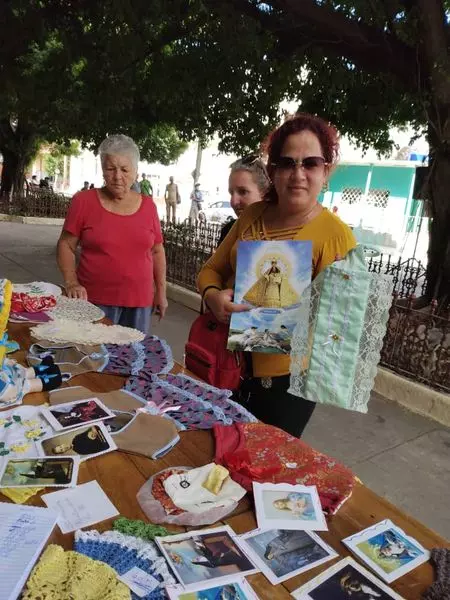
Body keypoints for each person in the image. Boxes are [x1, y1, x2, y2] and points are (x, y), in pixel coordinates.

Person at [197, 113, 356, 437]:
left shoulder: (335, 236)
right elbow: (211, 269)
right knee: (217, 449)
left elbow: (342, 326)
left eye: (310, 163)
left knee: (265, 461)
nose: (298, 174)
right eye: (287, 163)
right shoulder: (252, 216)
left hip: (287, 385)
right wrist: (213, 296)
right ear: (273, 171)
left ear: (325, 171)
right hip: (227, 363)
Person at [57, 133, 168, 334]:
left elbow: (157, 251)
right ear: (102, 169)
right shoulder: (83, 201)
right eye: (110, 169)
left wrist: (161, 292)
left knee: (133, 352)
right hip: (93, 301)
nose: (117, 177)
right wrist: (71, 282)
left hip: (139, 303)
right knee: (94, 351)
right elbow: (66, 245)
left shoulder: (148, 206)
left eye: (124, 169)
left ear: (135, 171)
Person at [218, 155, 271, 245]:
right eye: (231, 193)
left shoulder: (284, 233)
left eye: (243, 192)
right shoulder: (228, 231)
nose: (234, 202)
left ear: (265, 192)